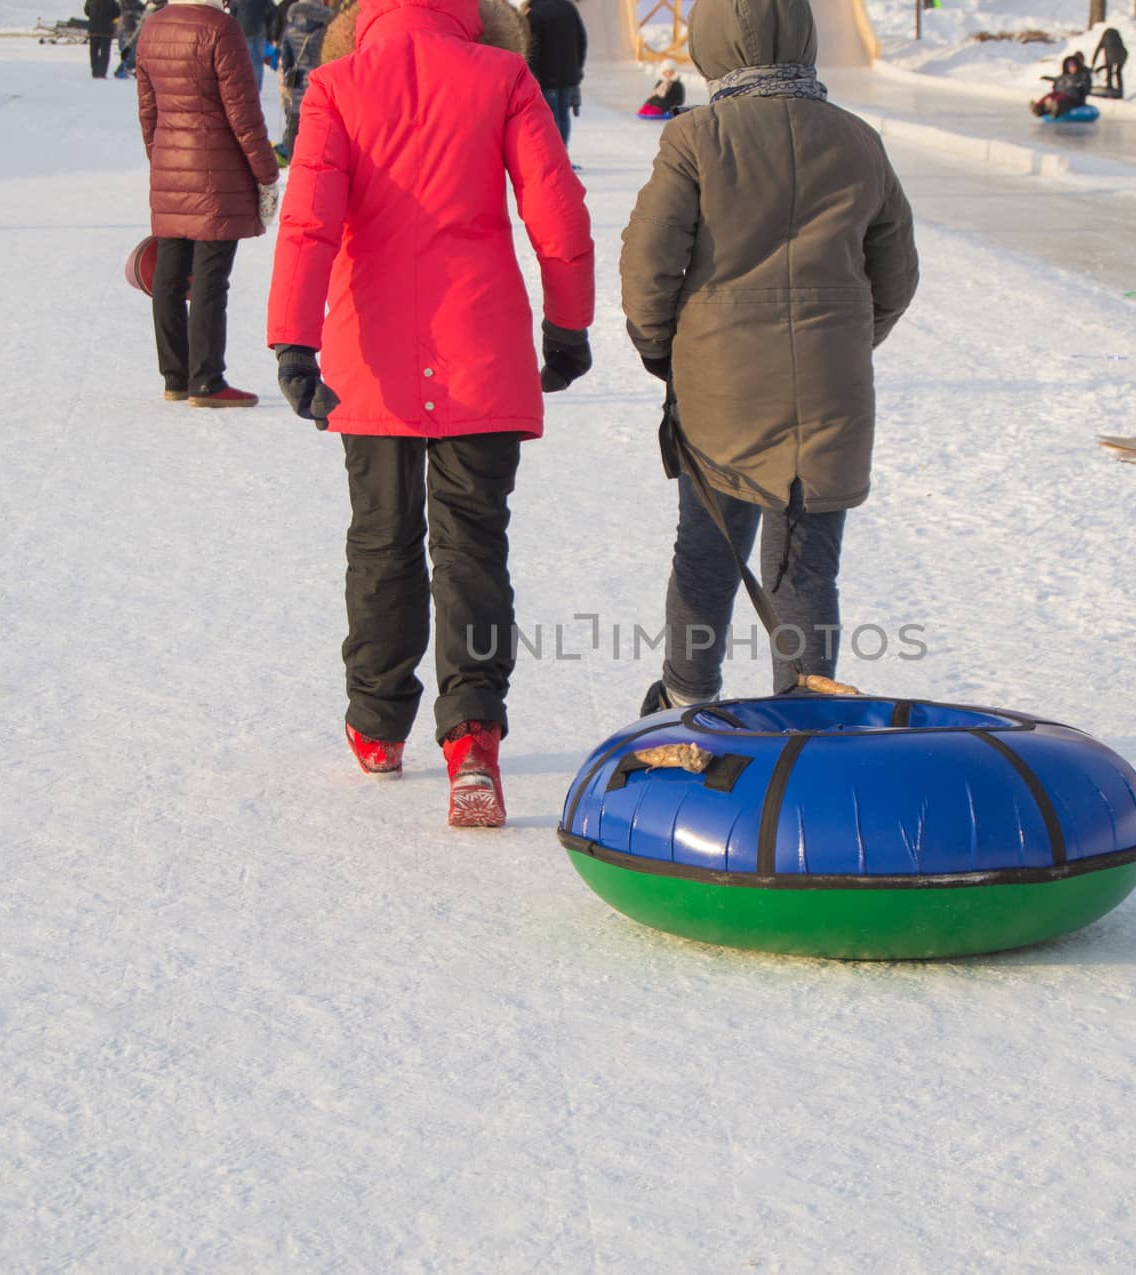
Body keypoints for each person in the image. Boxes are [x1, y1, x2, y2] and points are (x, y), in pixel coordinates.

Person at [267, 0, 593, 827]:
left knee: (381, 537)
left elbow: (308, 222)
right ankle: (474, 736)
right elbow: (555, 210)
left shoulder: (336, 83)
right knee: (473, 541)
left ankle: (377, 724)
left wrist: (294, 342)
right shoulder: (503, 74)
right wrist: (568, 324)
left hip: (369, 352)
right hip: (479, 346)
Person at [620, 0, 918, 714]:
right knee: (804, 565)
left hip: (719, 389)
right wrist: (843, 340)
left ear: (713, 43)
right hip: (831, 390)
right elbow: (897, 272)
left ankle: (687, 702)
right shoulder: (857, 140)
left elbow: (647, 268)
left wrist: (667, 351)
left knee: (708, 548)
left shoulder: (696, 138)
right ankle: (807, 715)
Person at [137, 0, 278, 406]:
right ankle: (207, 380)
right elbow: (244, 115)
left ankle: (175, 377)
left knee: (169, 275)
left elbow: (148, 110)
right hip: (219, 173)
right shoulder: (220, 28)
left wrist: (161, 158)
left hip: (170, 166)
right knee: (210, 278)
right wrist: (266, 174)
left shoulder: (153, 26)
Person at [273, 0, 331, 161]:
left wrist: (288, 79)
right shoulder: (326, 27)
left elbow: (286, 59)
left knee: (295, 122)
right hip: (320, 83)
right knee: (318, 125)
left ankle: (294, 161)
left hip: (298, 82)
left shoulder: (291, 27)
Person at [523, 0, 583, 147]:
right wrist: (577, 69)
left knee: (551, 118)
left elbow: (532, 50)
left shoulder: (534, 14)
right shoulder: (568, 7)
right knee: (563, 116)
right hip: (568, 75)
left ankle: (558, 160)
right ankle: (564, 155)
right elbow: (581, 40)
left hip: (547, 77)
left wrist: (532, 75)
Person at [1031, 51, 1090, 119]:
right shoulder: (1064, 76)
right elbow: (1056, 86)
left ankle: (1055, 108)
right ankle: (1038, 108)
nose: (1071, 67)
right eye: (1070, 65)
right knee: (1051, 96)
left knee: (1062, 99)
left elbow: (1085, 89)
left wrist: (1079, 87)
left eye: (1074, 65)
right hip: (1061, 94)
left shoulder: (1083, 75)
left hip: (1073, 99)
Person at [231, 0, 269, 90]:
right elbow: (272, 12)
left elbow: (232, 15)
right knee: (258, 62)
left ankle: (245, 86)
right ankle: (257, 88)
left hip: (243, 31)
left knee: (244, 60)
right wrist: (266, 24)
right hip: (260, 31)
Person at [85, 0, 120, 77]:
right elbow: (117, 12)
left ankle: (95, 72)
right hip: (106, 30)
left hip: (93, 29)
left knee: (93, 51)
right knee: (105, 52)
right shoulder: (111, 1)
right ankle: (102, 72)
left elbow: (86, 11)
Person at [1090, 26, 1125, 100]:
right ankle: (1120, 90)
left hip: (1110, 56)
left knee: (1109, 70)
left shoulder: (1105, 37)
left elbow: (1097, 50)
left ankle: (1110, 89)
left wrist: (1093, 63)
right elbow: (1124, 50)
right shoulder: (1117, 36)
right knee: (1118, 72)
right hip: (1122, 55)